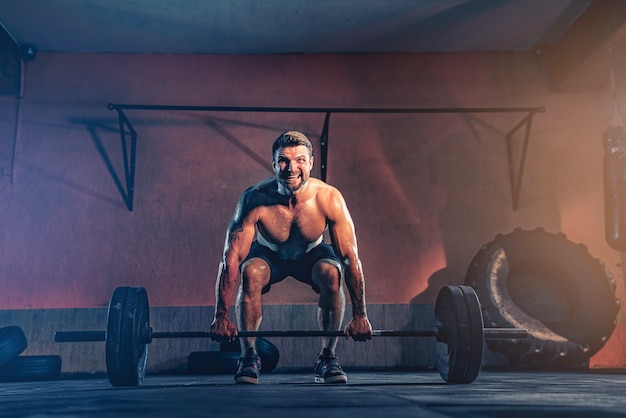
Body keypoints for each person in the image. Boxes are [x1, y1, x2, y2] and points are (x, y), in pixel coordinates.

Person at [210, 130, 372, 385]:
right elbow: (230, 258)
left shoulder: (329, 198)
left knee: (332, 273)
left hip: (312, 254)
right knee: (250, 272)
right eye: (283, 160)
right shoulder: (254, 198)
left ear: (310, 163)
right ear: (273, 163)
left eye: (299, 160)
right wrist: (221, 315)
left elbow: (351, 257)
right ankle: (249, 356)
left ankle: (327, 356)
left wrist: (360, 314)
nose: (291, 168)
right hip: (269, 255)